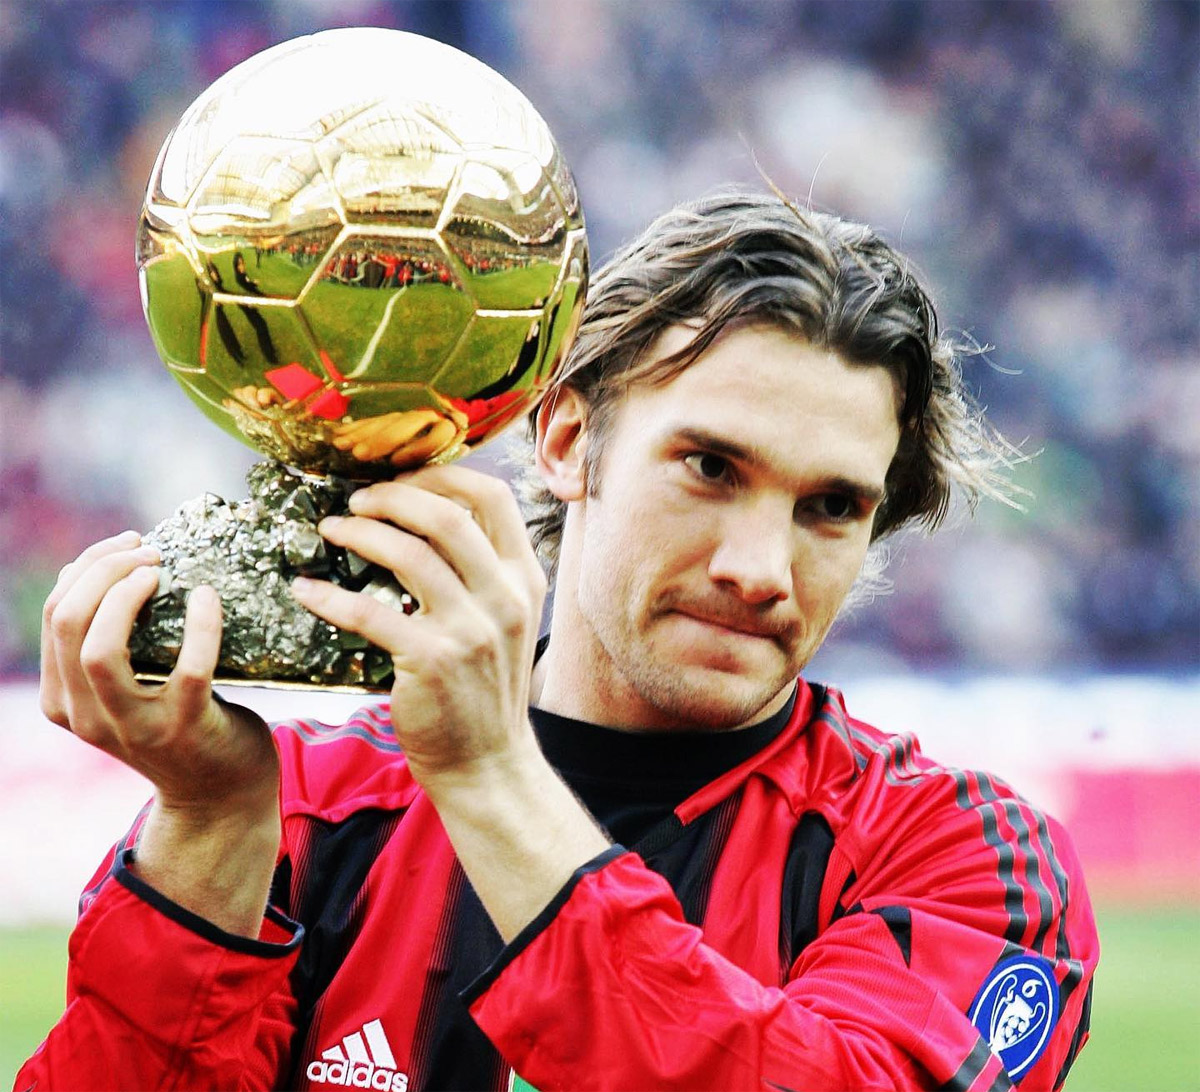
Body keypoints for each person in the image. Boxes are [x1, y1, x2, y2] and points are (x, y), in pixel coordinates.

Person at [19, 189, 1098, 1092]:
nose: (761, 569)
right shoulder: (299, 814)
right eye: (711, 468)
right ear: (569, 439)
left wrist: (489, 777)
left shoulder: (967, 859)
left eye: (830, 508)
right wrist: (209, 829)